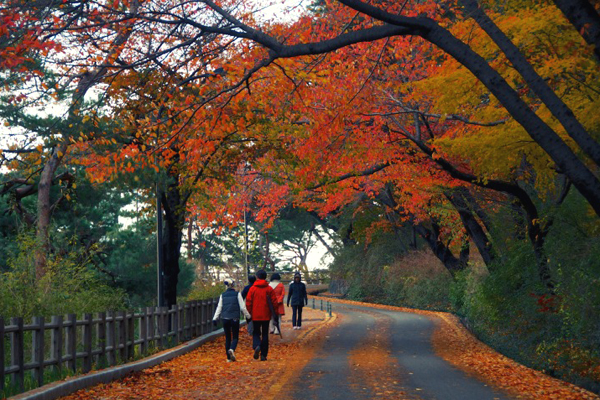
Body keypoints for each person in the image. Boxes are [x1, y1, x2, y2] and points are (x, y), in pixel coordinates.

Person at [212, 278, 251, 362]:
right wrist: (248, 316)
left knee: (228, 338)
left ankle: (228, 358)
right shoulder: (237, 294)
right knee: (235, 337)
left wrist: (215, 318)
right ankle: (232, 349)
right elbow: (242, 307)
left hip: (225, 318)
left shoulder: (222, 295)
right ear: (233, 285)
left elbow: (219, 307)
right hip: (234, 318)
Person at [245, 269, 279, 361]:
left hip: (255, 315)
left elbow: (248, 302)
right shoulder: (269, 289)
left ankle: (257, 345)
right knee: (265, 334)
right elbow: (274, 302)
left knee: (256, 332)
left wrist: (248, 313)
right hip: (266, 315)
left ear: (257, 277)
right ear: (265, 277)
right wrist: (275, 313)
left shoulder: (252, 289)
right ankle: (263, 355)